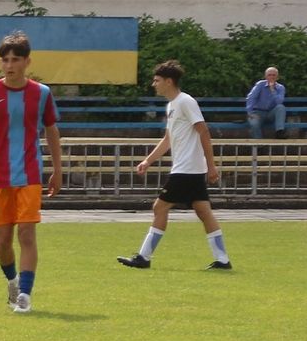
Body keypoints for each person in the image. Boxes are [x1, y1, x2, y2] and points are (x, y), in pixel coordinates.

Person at [0, 32, 63, 314]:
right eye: (5, 60)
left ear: (27, 61)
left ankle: (25, 294)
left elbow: (52, 131)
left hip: (30, 174)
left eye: (15, 59)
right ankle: (12, 281)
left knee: (27, 234)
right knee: (2, 241)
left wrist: (58, 169)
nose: (10, 65)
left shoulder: (42, 93)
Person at [118, 59, 231, 271]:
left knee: (159, 207)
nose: (154, 84)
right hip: (189, 169)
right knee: (203, 211)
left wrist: (212, 165)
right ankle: (223, 260)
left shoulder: (185, 102)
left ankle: (144, 257)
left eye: (157, 80)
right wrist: (148, 160)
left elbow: (203, 131)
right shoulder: (171, 105)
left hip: (187, 169)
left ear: (169, 81)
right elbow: (168, 139)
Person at [246, 67, 286, 139]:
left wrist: (273, 90)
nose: (271, 77)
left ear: (277, 77)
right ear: (265, 76)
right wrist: (250, 113)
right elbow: (251, 98)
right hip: (258, 112)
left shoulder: (280, 87)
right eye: (269, 75)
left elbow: (279, 101)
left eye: (274, 75)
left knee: (280, 107)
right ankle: (259, 146)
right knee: (254, 124)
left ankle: (279, 132)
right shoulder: (260, 85)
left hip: (271, 113)